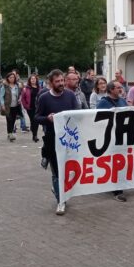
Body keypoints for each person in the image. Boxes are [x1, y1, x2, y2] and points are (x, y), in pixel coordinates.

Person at [35, 69, 80, 215]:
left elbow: (77, 114)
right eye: (57, 82)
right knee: (56, 171)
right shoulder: (44, 98)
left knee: (68, 169)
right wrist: (47, 118)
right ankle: (61, 201)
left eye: (62, 80)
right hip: (52, 139)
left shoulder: (70, 95)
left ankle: (61, 190)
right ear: (50, 83)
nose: (61, 84)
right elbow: (36, 117)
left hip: (70, 139)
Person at [96, 81, 129, 202]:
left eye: (121, 87)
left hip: (122, 136)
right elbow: (97, 118)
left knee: (121, 161)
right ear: (110, 90)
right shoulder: (103, 103)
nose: (121, 89)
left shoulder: (122, 101)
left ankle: (119, 184)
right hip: (110, 137)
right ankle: (117, 189)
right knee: (114, 162)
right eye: (118, 88)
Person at [0, 72, 23, 142]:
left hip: (15, 106)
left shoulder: (17, 86)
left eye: (13, 77)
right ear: (7, 78)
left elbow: (20, 94)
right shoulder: (4, 86)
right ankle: (10, 134)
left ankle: (10, 133)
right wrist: (2, 105)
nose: (12, 79)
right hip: (7, 106)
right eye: (10, 77)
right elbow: (1, 96)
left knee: (13, 120)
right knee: (9, 120)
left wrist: (20, 98)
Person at [21, 74, 41, 142]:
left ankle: (35, 135)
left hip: (38, 107)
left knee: (37, 121)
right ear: (29, 80)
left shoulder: (39, 88)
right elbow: (23, 98)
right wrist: (25, 106)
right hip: (30, 107)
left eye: (34, 79)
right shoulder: (26, 88)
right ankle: (34, 135)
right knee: (33, 120)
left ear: (36, 80)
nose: (33, 80)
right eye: (32, 79)